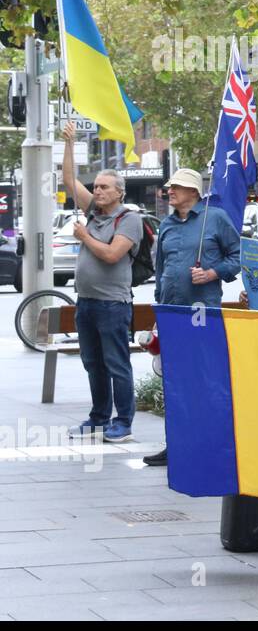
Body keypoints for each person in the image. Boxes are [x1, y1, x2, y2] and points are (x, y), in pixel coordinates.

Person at [142, 167, 241, 466]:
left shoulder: (216, 219)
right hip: (172, 315)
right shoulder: (167, 226)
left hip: (203, 314)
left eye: (178, 187)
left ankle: (211, 446)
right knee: (174, 382)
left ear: (194, 192)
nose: (170, 190)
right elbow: (161, 271)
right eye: (170, 186)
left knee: (205, 381)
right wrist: (159, 310)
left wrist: (213, 272)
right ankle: (176, 445)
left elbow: (238, 257)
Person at [60, 121, 143, 444]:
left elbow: (111, 255)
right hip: (87, 303)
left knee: (116, 364)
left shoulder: (129, 219)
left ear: (119, 192)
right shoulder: (93, 211)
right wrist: (69, 143)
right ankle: (98, 417)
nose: (97, 191)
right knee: (93, 362)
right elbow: (69, 180)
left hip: (112, 305)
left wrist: (84, 236)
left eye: (104, 187)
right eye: (95, 186)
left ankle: (123, 421)